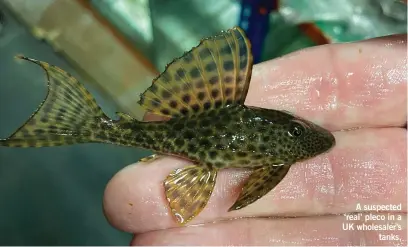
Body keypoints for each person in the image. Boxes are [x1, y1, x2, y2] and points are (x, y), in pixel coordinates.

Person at [102, 34, 407, 245]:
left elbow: (249, 192)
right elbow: (251, 191)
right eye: (296, 131)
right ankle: (94, 128)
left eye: (297, 131)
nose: (299, 134)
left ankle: (93, 128)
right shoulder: (278, 162)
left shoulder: (281, 161)